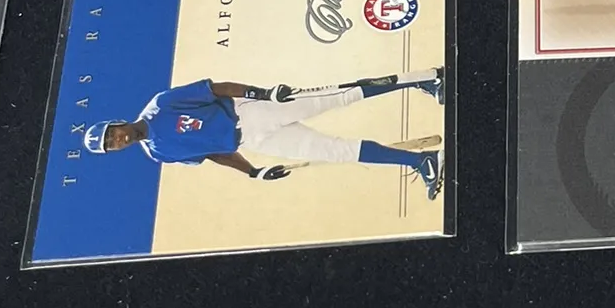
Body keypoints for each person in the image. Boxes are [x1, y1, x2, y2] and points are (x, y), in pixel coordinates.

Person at [79, 67, 445, 200]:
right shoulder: (157, 153)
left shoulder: (160, 105)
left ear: (116, 122)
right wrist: (253, 172)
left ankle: (425, 78)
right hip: (254, 140)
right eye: (111, 146)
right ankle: (423, 161)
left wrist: (264, 93)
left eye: (112, 134)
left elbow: (216, 88)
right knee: (336, 151)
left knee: (342, 95)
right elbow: (213, 154)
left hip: (252, 112)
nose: (117, 140)